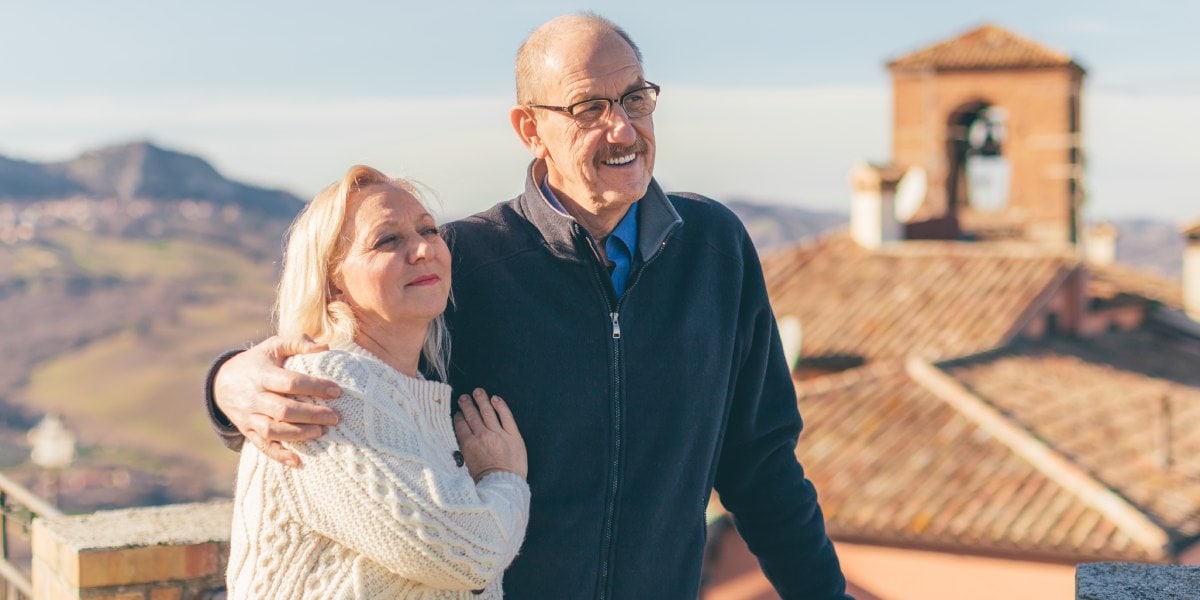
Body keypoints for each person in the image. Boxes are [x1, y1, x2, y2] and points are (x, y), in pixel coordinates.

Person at [209, 13, 851, 599]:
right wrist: (226, 382)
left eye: (634, 99)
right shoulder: (464, 262)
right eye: (588, 108)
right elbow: (355, 381)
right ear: (530, 129)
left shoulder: (715, 247)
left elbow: (761, 459)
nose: (621, 128)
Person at [225, 165, 530, 599]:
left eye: (429, 230)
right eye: (388, 240)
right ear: (333, 277)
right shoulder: (327, 386)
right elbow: (467, 557)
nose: (423, 250)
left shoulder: (405, 389)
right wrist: (503, 477)